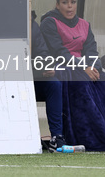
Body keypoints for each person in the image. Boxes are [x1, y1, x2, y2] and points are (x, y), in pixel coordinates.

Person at [40, 0, 105, 151]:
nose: (69, 6)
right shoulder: (49, 23)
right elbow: (59, 52)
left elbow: (92, 50)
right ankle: (89, 137)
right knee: (81, 84)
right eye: (65, 2)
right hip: (62, 66)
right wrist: (83, 68)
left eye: (72, 2)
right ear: (57, 5)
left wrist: (94, 67)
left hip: (85, 66)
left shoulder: (84, 25)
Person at [31, 11, 65, 152]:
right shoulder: (2, 25)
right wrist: (38, 70)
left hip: (33, 80)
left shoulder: (32, 25)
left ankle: (57, 137)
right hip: (10, 81)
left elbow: (43, 52)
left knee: (54, 84)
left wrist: (46, 65)